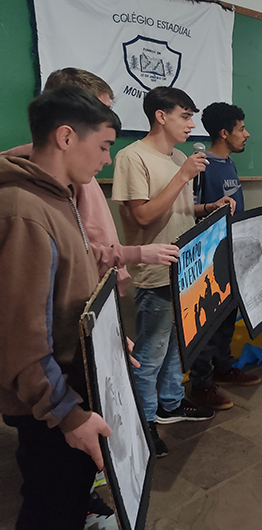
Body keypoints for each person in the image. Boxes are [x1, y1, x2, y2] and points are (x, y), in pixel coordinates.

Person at [0, 86, 119, 529]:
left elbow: (69, 295)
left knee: (67, 498)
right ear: (66, 136)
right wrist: (69, 415)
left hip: (68, 388)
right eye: (103, 146)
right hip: (51, 404)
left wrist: (106, 341)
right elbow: (21, 339)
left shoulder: (58, 195)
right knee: (51, 508)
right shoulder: (24, 210)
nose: (107, 159)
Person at [112, 87, 235, 457]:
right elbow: (143, 216)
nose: (191, 124)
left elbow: (177, 209)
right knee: (150, 353)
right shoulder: (132, 157)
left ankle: (170, 402)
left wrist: (208, 207)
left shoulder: (179, 156)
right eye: (185, 116)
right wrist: (182, 176)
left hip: (186, 269)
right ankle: (144, 422)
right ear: (161, 116)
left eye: (191, 116)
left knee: (175, 349)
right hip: (156, 273)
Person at [0, 68, 179, 293]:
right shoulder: (24, 203)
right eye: (99, 112)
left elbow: (77, 248)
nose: (107, 159)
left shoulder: (76, 172)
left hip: (97, 290)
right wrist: (136, 253)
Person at [188, 102, 262, 411]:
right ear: (223, 133)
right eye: (241, 129)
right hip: (209, 256)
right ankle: (201, 383)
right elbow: (190, 210)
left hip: (233, 251)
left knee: (228, 316)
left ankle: (223, 366)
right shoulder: (202, 166)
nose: (246, 134)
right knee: (207, 321)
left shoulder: (229, 163)